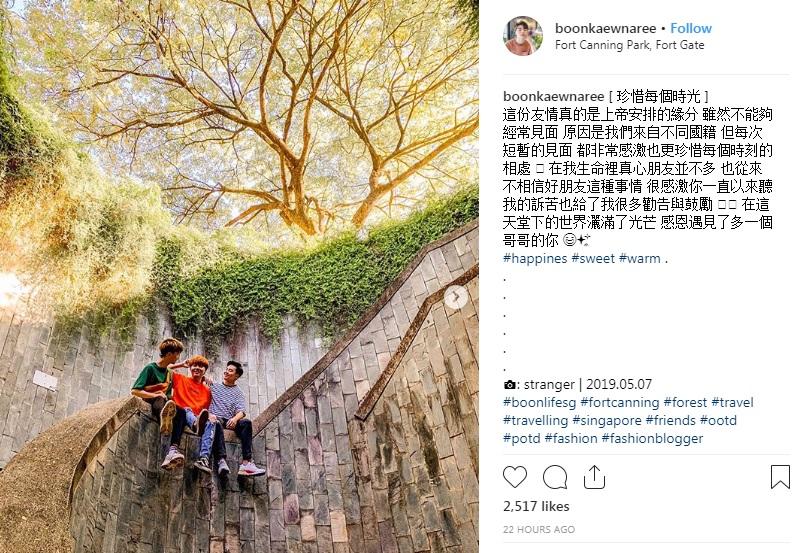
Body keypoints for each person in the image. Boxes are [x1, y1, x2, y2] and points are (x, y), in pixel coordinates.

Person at [203, 360, 266, 476]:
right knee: (216, 422)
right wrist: (206, 378)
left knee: (246, 423)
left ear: (236, 376)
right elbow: (196, 375)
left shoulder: (238, 393)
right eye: (226, 369)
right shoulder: (214, 385)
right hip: (216, 418)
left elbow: (241, 411)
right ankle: (221, 460)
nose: (226, 372)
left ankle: (246, 464)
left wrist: (235, 419)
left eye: (230, 371)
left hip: (229, 420)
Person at [159, 355, 213, 470]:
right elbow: (163, 368)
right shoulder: (180, 379)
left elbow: (205, 411)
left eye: (201, 366)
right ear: (190, 367)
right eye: (194, 365)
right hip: (179, 413)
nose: (197, 368)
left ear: (205, 371)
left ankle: (204, 458)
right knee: (185, 410)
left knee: (210, 422)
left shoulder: (207, 391)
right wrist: (181, 364)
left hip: (195, 417)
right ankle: (195, 425)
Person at [130, 338, 184, 436]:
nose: (178, 357)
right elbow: (135, 391)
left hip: (163, 401)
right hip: (150, 400)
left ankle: (173, 440)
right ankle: (164, 423)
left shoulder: (169, 374)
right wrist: (154, 394)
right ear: (168, 354)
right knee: (160, 398)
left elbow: (167, 396)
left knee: (181, 411)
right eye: (177, 354)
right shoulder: (150, 368)